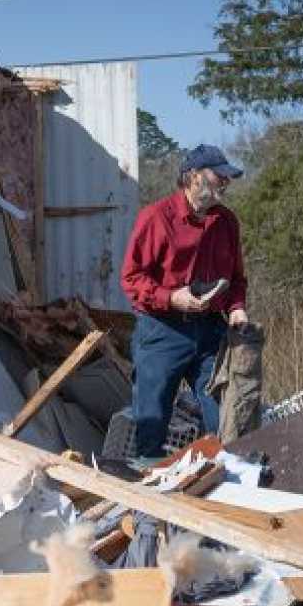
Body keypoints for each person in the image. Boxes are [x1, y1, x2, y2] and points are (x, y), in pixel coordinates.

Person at [120, 144, 249, 465]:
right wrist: (172, 297)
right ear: (192, 177)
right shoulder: (155, 218)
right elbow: (131, 278)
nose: (225, 182)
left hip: (210, 331)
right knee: (152, 417)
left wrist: (235, 307)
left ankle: (225, 478)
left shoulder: (226, 222)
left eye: (226, 177)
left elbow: (236, 278)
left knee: (225, 410)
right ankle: (148, 496)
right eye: (218, 176)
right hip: (162, 329)